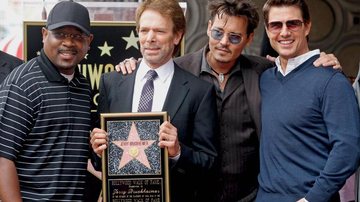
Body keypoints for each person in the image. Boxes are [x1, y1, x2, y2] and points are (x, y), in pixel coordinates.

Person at [117, 0, 342, 201]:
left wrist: (323, 60)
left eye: (235, 37)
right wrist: (132, 66)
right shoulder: (177, 70)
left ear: (249, 38)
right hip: (191, 193)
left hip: (250, 194)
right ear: (207, 28)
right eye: (217, 33)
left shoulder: (264, 71)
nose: (224, 42)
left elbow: (295, 69)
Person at [90, 0, 218, 202]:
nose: (150, 38)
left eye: (159, 31)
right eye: (144, 30)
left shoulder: (199, 92)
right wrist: (98, 150)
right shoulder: (111, 82)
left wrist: (178, 152)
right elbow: (99, 162)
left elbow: (210, 164)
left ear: (177, 36)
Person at [256, 0, 360, 201]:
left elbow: (348, 149)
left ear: (307, 26)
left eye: (293, 24)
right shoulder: (265, 78)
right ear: (267, 31)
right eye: (276, 25)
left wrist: (312, 198)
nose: (284, 32)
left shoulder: (332, 81)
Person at [0, 1, 94, 201]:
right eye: (60, 34)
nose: (68, 42)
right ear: (44, 35)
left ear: (89, 41)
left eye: (77, 36)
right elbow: (2, 159)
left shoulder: (83, 86)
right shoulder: (23, 84)